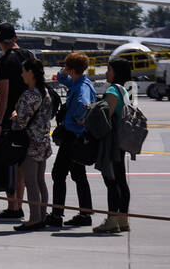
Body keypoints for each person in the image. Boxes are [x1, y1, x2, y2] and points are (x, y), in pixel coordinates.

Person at [47, 52, 96, 228]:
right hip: (77, 136)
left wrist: (77, 118)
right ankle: (85, 213)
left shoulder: (80, 87)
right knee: (78, 175)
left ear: (72, 69)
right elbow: (61, 77)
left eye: (67, 66)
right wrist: (65, 69)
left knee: (58, 173)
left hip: (72, 136)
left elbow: (82, 106)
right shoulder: (80, 82)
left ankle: (57, 214)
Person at [9, 58, 55, 230]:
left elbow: (20, 122)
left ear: (30, 73)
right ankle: (41, 216)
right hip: (43, 141)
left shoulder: (30, 95)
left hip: (30, 143)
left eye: (23, 71)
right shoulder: (45, 92)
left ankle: (35, 218)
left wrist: (14, 116)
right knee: (40, 181)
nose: (22, 75)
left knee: (31, 182)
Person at [0, 24, 29, 219]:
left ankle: (13, 206)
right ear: (16, 37)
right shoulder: (29, 56)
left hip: (12, 118)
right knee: (24, 163)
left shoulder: (4, 62)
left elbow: (3, 95)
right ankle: (20, 206)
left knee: (9, 161)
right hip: (31, 116)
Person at [94, 58, 132, 233]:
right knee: (121, 180)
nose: (106, 73)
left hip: (111, 143)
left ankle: (112, 220)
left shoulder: (112, 90)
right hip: (122, 141)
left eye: (109, 70)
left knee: (111, 181)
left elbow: (105, 117)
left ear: (116, 72)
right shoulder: (124, 89)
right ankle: (123, 220)